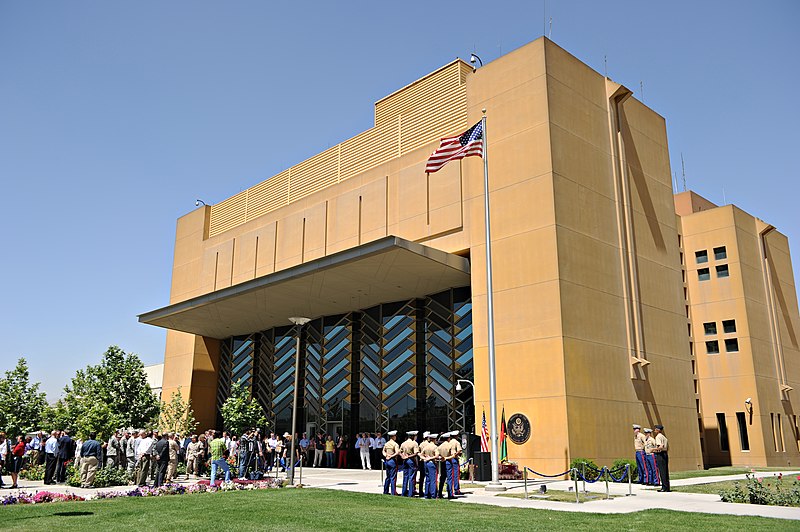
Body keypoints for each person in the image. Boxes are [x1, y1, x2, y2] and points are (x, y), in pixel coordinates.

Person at [419, 433, 439, 499]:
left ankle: (427, 494)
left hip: (426, 463)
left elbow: (420, 454)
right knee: (433, 479)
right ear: (434, 439)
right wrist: (430, 458)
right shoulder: (435, 447)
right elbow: (437, 455)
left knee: (427, 479)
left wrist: (425, 458)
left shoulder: (426, 447)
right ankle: (433, 495)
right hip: (432, 463)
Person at [400, 431, 419, 497]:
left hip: (405, 460)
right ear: (413, 436)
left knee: (405, 477)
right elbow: (416, 453)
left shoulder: (403, 443)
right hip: (411, 460)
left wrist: (403, 456)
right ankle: (411, 493)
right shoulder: (414, 443)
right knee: (411, 477)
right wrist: (409, 456)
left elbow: (400, 451)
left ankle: (403, 492)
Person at [382, 430, 400, 495]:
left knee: (388, 477)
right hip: (392, 461)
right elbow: (397, 452)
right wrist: (391, 456)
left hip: (387, 460)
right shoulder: (395, 444)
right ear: (393, 437)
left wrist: (386, 455)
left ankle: (385, 491)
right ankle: (393, 492)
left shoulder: (386, 444)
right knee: (393, 477)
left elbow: (383, 451)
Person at [653, 425, 670, 492]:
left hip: (660, 454)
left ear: (658, 430)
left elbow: (661, 446)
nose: (655, 430)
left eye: (656, 428)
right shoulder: (664, 437)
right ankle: (667, 487)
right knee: (665, 471)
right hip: (665, 453)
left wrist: (653, 449)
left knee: (662, 471)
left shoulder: (658, 437)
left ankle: (664, 487)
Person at [436, 432, 454, 499]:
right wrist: (446, 458)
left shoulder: (440, 446)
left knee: (442, 478)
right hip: (448, 462)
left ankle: (439, 493)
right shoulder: (450, 445)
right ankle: (450, 494)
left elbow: (438, 455)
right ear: (448, 438)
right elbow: (453, 455)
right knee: (449, 478)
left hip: (442, 462)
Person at [449, 430, 462, 495]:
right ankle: (456, 489)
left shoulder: (449, 442)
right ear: (456, 436)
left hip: (449, 459)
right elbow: (459, 451)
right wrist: (456, 454)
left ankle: (450, 489)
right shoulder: (457, 442)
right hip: (454, 459)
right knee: (456, 475)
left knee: (450, 475)